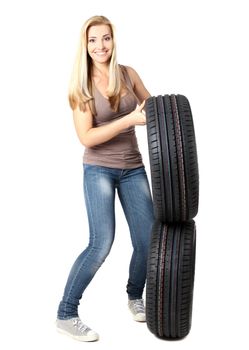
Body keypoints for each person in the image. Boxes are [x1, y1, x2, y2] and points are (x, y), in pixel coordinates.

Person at [56, 15, 154, 342]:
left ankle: (134, 295)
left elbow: (151, 107)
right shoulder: (81, 85)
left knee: (147, 238)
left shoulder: (128, 74)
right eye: (93, 40)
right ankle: (66, 313)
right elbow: (87, 137)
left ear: (114, 40)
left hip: (133, 167)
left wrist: (166, 113)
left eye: (106, 38)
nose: (101, 46)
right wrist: (130, 119)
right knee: (101, 243)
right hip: (98, 168)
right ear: (85, 45)